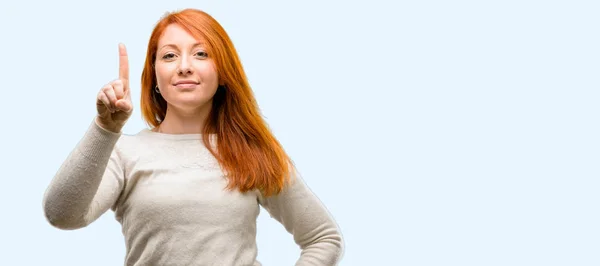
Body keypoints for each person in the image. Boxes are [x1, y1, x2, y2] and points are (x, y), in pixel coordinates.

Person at [42, 8, 344, 266]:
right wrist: (105, 127)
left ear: (223, 71)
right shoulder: (124, 152)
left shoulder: (253, 152)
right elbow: (61, 215)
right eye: (170, 55)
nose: (184, 66)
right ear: (155, 76)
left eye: (201, 54)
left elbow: (323, 237)